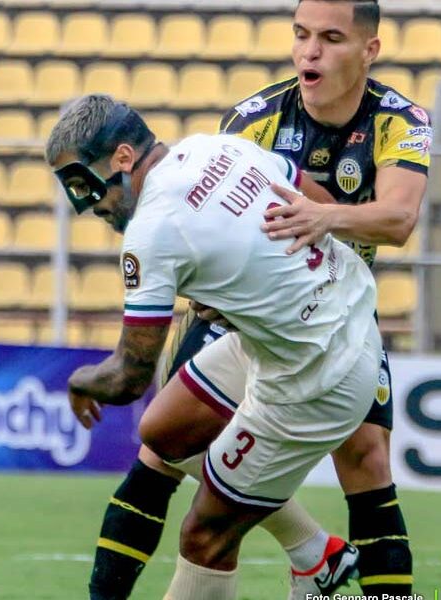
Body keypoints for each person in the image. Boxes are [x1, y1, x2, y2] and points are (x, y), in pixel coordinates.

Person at [88, 1, 429, 597]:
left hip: (332, 312)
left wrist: (324, 216)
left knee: (367, 462)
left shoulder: (400, 121)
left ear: (368, 51)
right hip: (240, 313)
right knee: (160, 447)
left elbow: (399, 219)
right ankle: (311, 551)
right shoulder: (254, 118)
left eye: (329, 38)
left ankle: (313, 556)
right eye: (301, 35)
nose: (309, 51)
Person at [47, 93, 383, 600]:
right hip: (333, 326)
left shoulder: (152, 229)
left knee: (205, 536)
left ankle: (312, 557)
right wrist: (267, 288)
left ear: (121, 158)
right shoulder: (219, 148)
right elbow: (324, 210)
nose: (89, 204)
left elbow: (128, 376)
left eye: (83, 183)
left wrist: (77, 380)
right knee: (163, 430)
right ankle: (315, 555)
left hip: (315, 376)